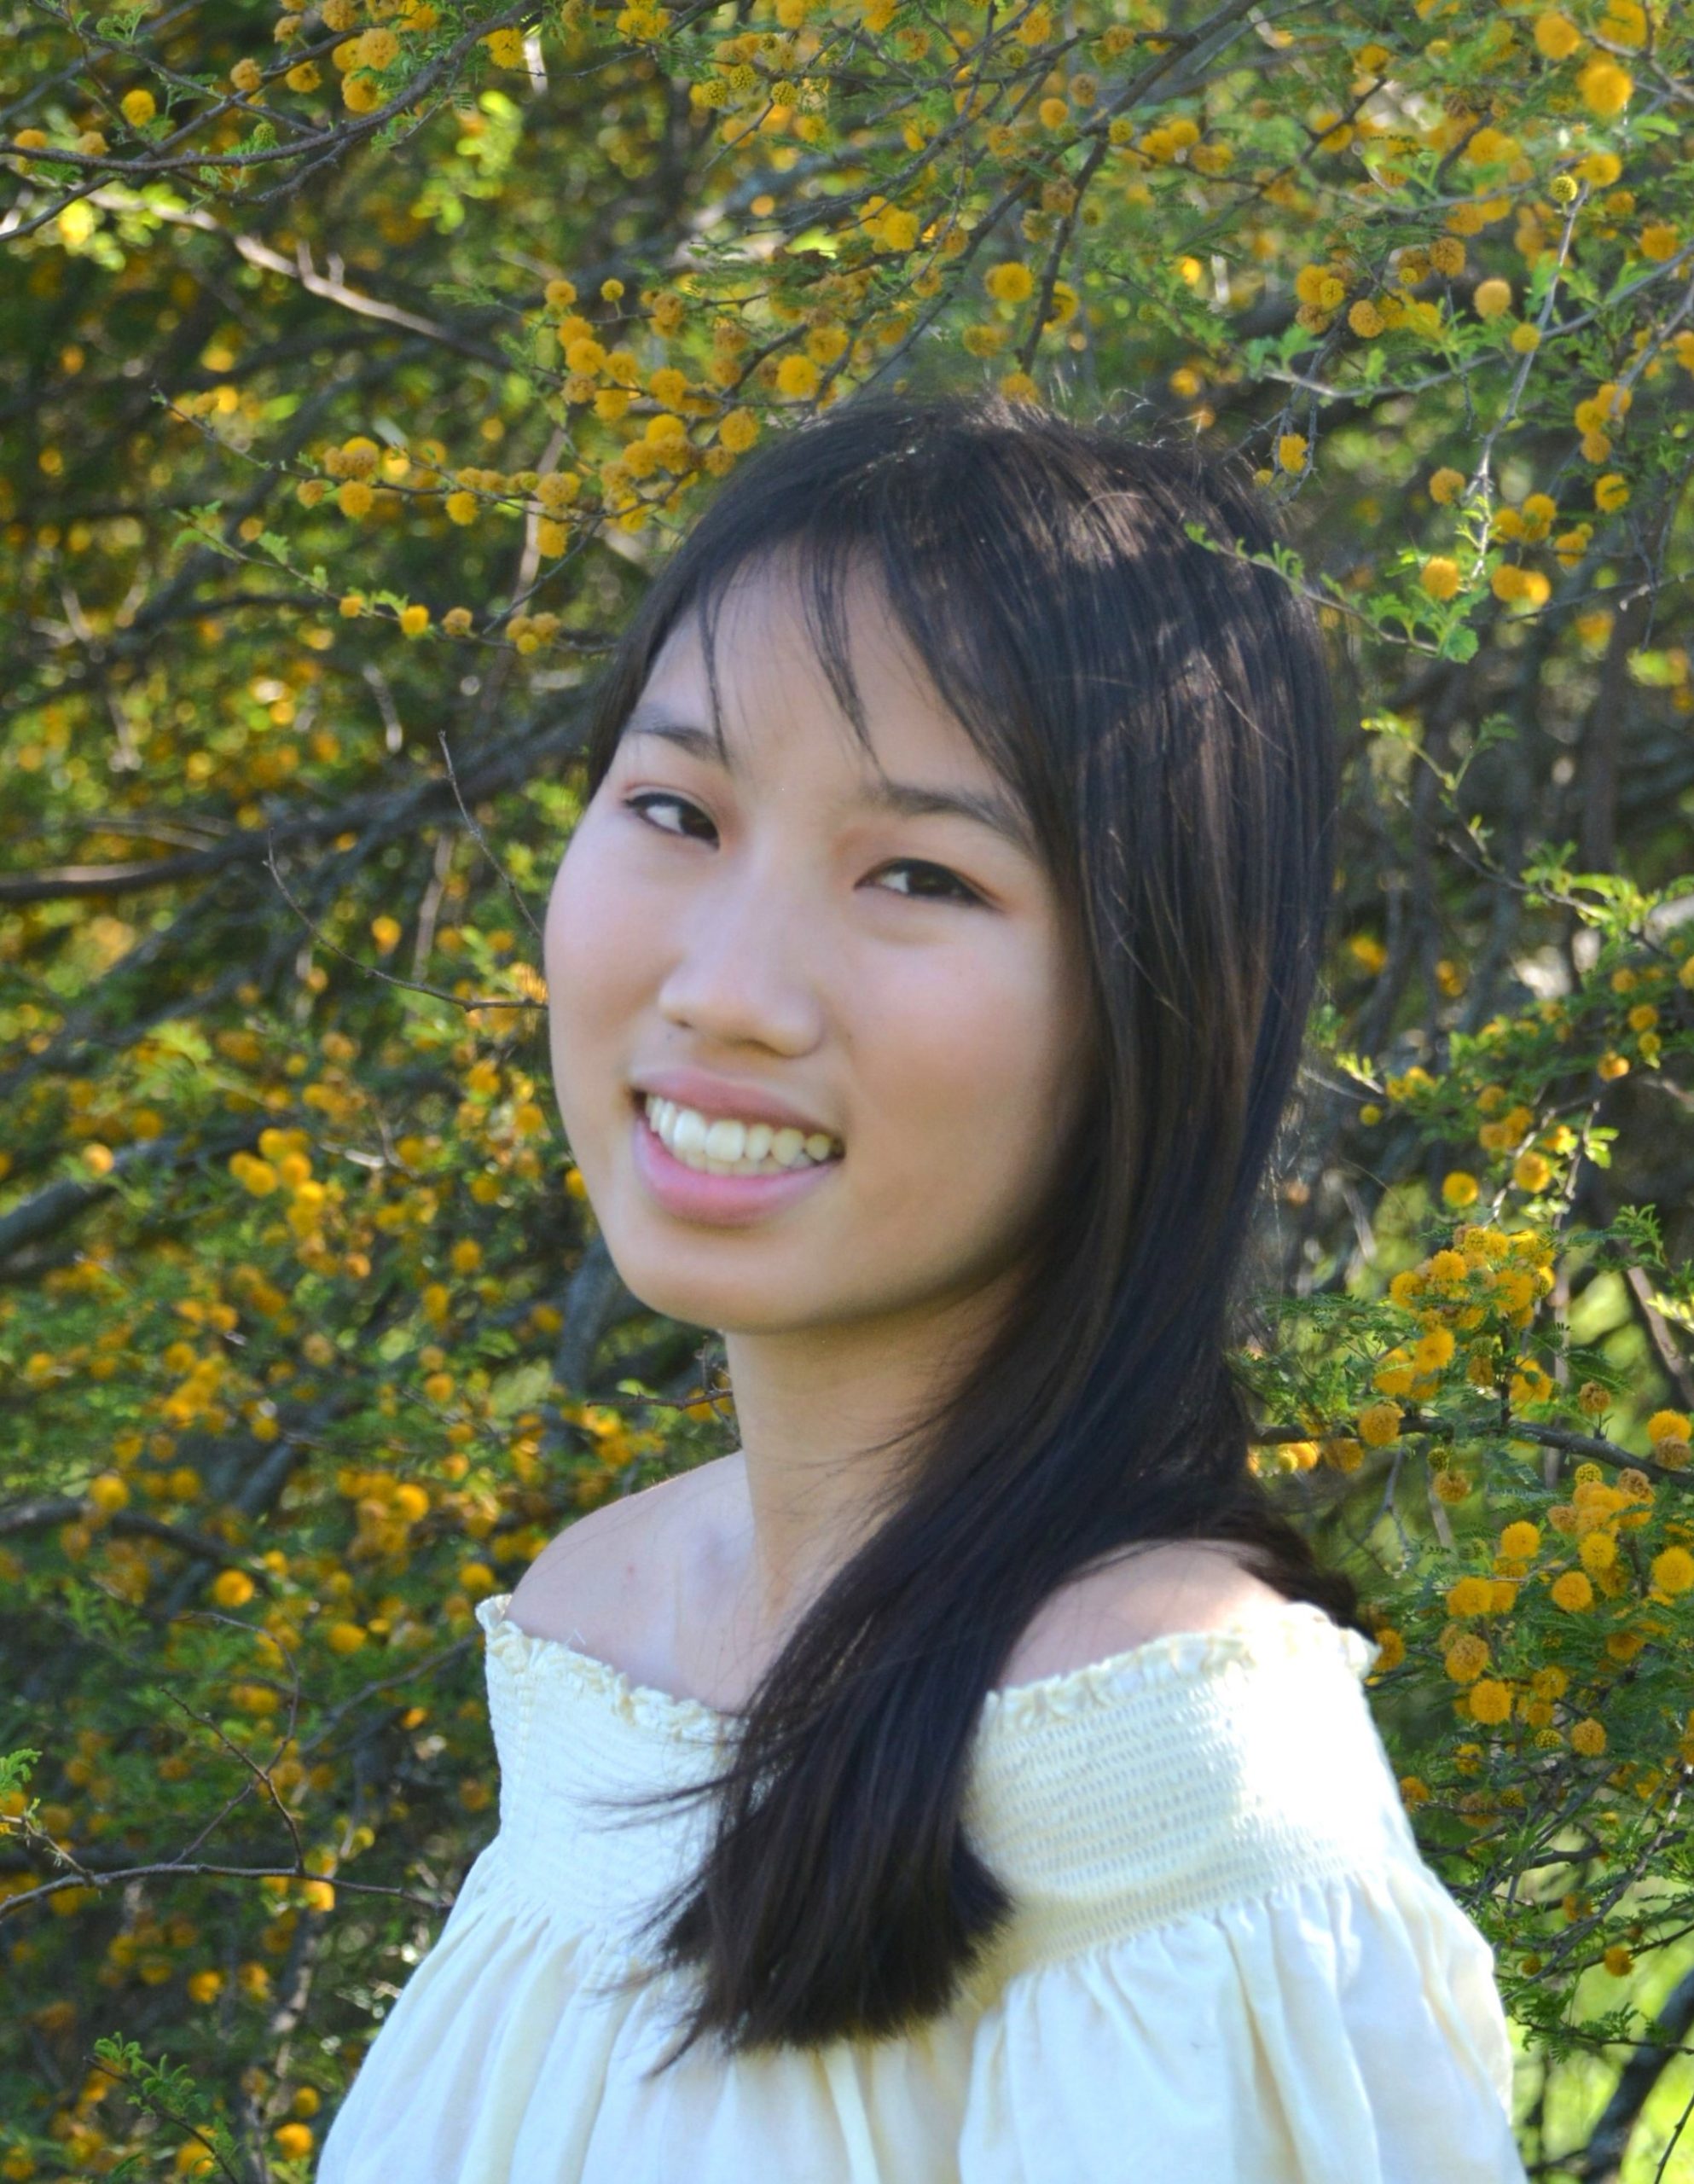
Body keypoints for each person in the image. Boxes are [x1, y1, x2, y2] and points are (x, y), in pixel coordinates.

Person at [317, 389, 1529, 2182]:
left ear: (1157, 1002)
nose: (726, 988)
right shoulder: (598, 1628)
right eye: (674, 808)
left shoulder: (1170, 1747)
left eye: (917, 873)